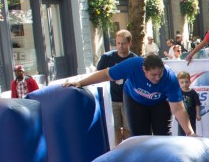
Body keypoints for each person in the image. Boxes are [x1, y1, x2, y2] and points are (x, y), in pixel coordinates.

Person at [65, 54, 195, 137]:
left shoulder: (169, 78)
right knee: (140, 136)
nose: (157, 78)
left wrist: (190, 133)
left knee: (162, 135)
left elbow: (178, 108)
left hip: (159, 102)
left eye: (159, 74)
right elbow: (106, 75)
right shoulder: (132, 65)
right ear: (144, 69)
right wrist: (81, 82)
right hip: (135, 100)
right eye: (153, 75)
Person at [97, 29, 135, 146]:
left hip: (128, 100)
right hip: (112, 99)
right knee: (115, 128)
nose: (120, 46)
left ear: (129, 43)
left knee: (129, 128)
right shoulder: (107, 58)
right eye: (118, 43)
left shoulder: (134, 59)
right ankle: (117, 152)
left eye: (123, 43)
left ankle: (129, 151)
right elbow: (98, 75)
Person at [176, 71, 201, 136]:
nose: (184, 84)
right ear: (178, 83)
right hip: (181, 116)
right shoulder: (178, 93)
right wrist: (176, 115)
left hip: (191, 116)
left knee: (192, 131)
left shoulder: (193, 93)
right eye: (182, 82)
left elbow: (197, 104)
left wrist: (198, 114)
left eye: (186, 82)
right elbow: (176, 105)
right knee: (181, 132)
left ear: (190, 82)